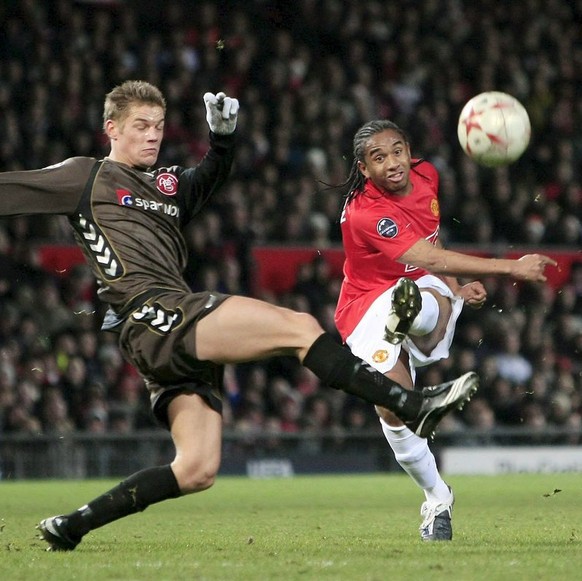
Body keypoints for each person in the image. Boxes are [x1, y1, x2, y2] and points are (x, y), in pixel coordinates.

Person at [0, 82, 478, 552]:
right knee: (300, 328)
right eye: (140, 126)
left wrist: (223, 141)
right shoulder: (85, 176)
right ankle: (411, 405)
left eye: (160, 127)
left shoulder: (165, 186)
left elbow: (204, 181)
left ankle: (73, 525)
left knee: (196, 470)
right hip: (152, 312)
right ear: (111, 129)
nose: (153, 135)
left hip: (166, 331)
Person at [335, 119, 556, 541]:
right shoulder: (367, 211)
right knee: (391, 408)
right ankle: (437, 497)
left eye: (397, 151)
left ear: (409, 150)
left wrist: (455, 285)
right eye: (378, 159)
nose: (392, 164)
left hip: (418, 282)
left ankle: (412, 314)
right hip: (365, 304)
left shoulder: (426, 174)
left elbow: (430, 244)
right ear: (364, 169)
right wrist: (511, 266)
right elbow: (432, 258)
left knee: (423, 292)